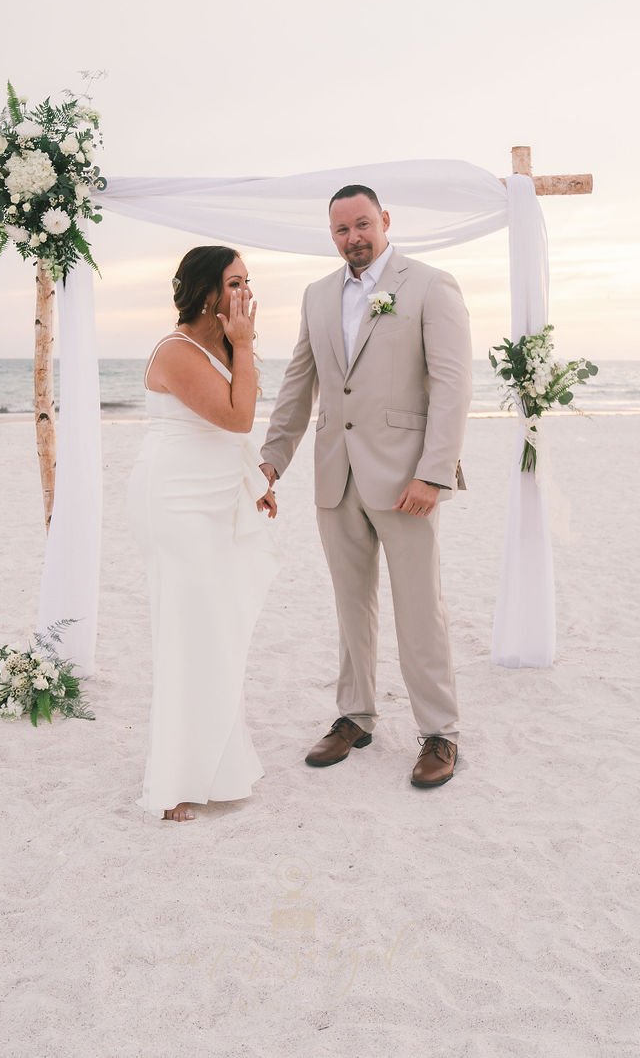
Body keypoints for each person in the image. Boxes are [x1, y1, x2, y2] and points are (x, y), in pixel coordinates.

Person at [260, 185, 471, 788]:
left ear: (384, 220)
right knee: (351, 607)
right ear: (331, 236)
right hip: (336, 474)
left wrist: (433, 474)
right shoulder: (317, 295)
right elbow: (299, 386)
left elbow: (453, 387)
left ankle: (440, 731)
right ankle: (355, 715)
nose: (353, 238)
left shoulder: (430, 285)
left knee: (419, 610)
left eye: (361, 225)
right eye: (340, 230)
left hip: (408, 479)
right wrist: (272, 462)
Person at [126, 246, 279, 822]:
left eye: (247, 281)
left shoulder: (223, 347)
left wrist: (251, 483)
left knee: (217, 632)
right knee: (190, 633)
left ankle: (215, 764)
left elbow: (234, 434)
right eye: (234, 282)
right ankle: (173, 782)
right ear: (206, 291)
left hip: (214, 500)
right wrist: (243, 345)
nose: (245, 293)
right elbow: (238, 416)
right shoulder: (176, 351)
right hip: (176, 505)